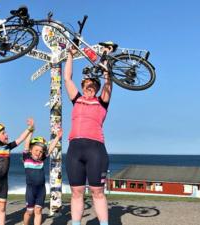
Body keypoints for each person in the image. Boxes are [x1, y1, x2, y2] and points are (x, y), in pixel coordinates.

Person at [64, 42, 115, 225]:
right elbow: (67, 79)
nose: (90, 86)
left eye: (94, 84)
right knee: (77, 192)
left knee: (97, 192)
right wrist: (70, 55)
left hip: (96, 150)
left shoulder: (102, 102)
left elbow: (109, 81)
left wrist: (106, 58)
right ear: (82, 85)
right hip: (74, 150)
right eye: (87, 84)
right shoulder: (76, 100)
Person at [22, 129, 63, 225]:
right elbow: (26, 144)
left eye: (41, 151)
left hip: (41, 190)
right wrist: (31, 131)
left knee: (38, 210)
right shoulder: (27, 158)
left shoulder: (41, 159)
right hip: (30, 190)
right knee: (30, 212)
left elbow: (50, 148)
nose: (38, 153)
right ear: (31, 150)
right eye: (36, 150)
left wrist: (57, 137)